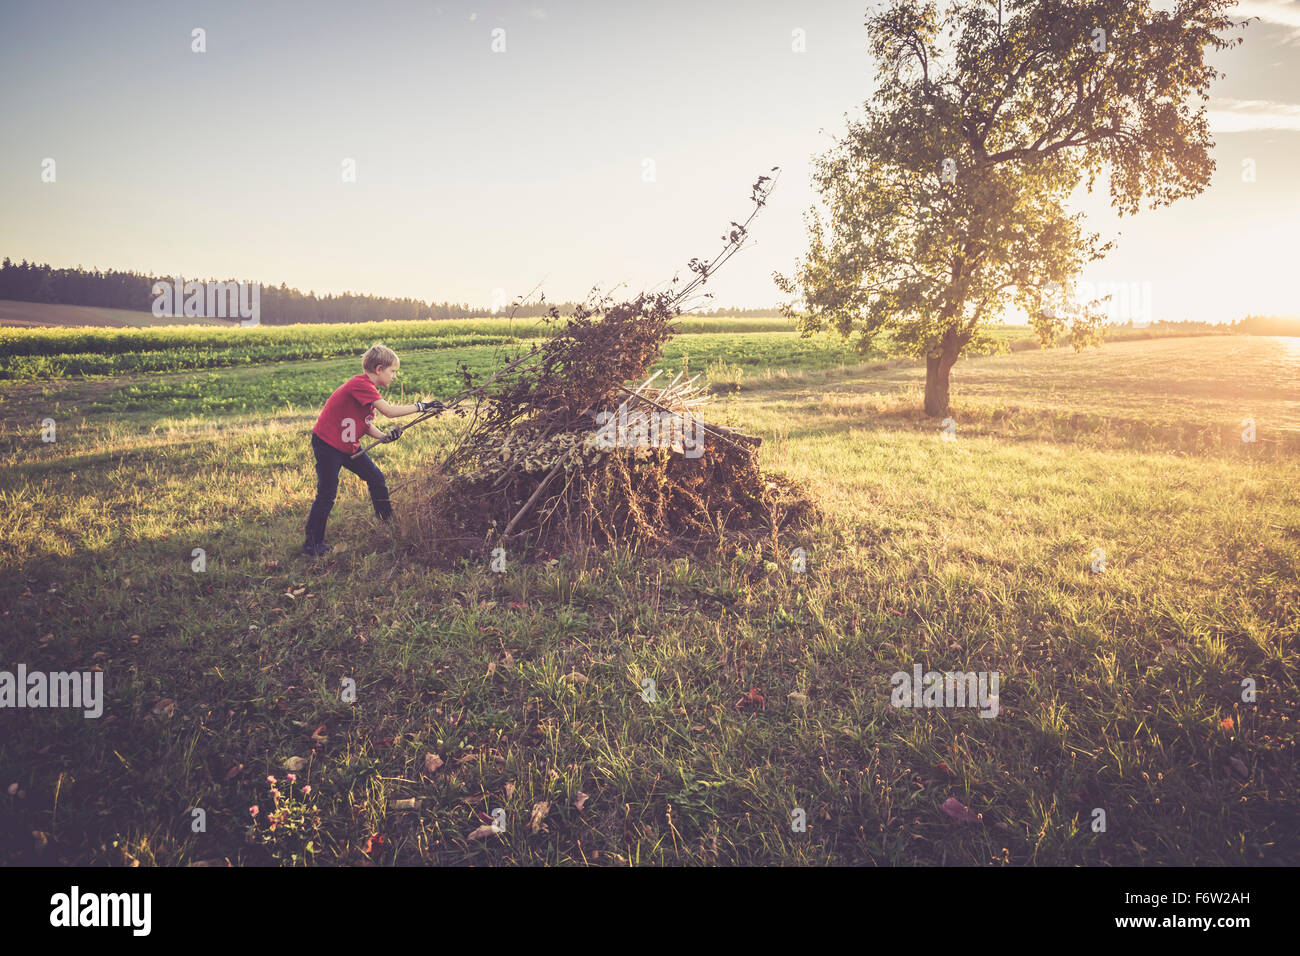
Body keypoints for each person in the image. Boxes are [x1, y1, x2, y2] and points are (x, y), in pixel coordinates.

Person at [302, 343, 442, 556]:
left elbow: (364, 423)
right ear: (379, 369)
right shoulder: (361, 384)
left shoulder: (366, 390)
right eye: (392, 371)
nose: (394, 376)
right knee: (327, 493)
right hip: (328, 445)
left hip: (349, 445)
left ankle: (387, 524)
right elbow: (390, 412)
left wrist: (384, 437)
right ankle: (312, 545)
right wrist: (422, 406)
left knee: (376, 478)